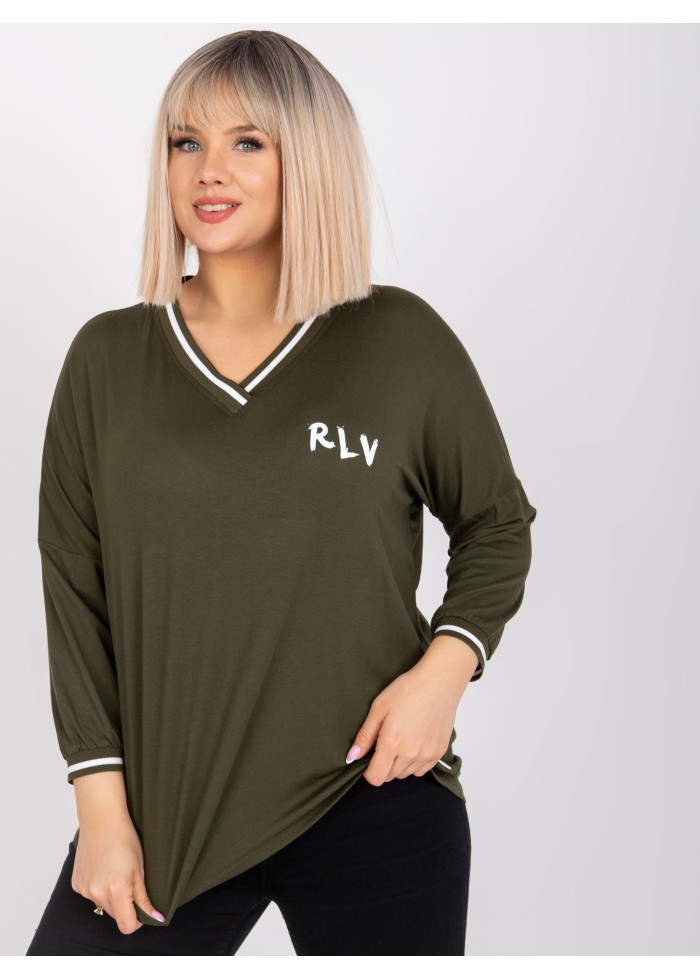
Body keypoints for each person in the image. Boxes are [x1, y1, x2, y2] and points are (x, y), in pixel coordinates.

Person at [26, 29, 537, 956]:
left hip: (373, 795)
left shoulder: (400, 340)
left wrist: (445, 670)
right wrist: (99, 806)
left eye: (247, 141)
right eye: (186, 141)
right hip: (165, 820)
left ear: (310, 158)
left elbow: (497, 522)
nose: (208, 171)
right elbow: (75, 592)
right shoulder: (106, 359)